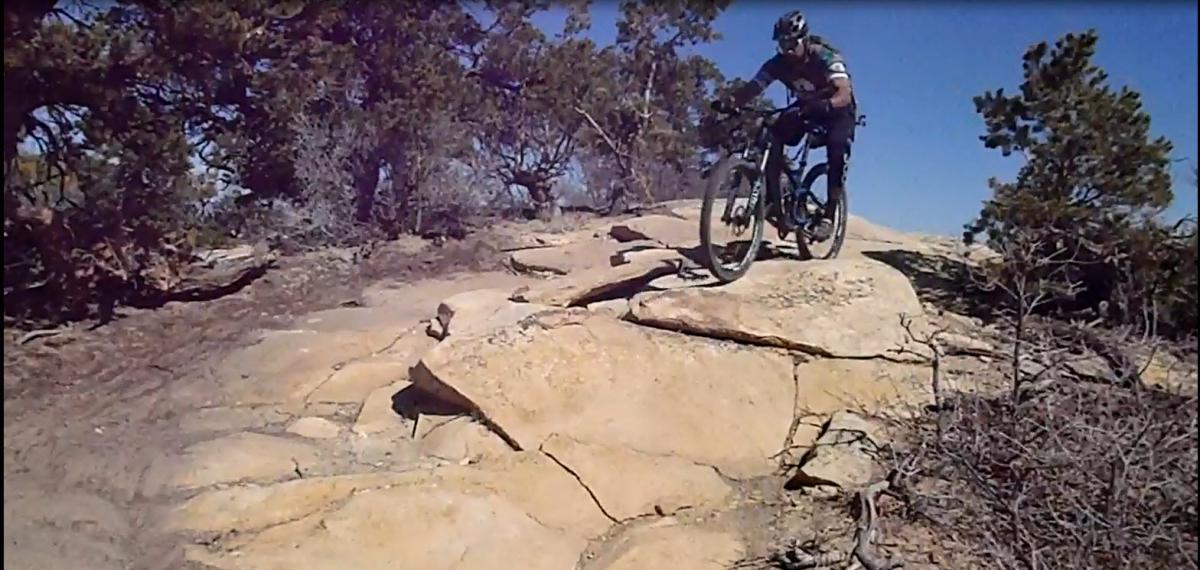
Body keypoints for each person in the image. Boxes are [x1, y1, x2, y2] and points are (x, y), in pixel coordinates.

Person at [711, 10, 857, 241]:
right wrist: (731, 102)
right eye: (781, 44)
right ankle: (774, 200)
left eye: (791, 43)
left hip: (837, 110)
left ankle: (829, 215)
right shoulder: (777, 64)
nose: (786, 49)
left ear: (803, 39)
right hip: (806, 107)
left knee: (837, 149)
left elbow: (844, 93)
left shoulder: (824, 56)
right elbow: (754, 87)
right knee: (771, 132)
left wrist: (825, 105)